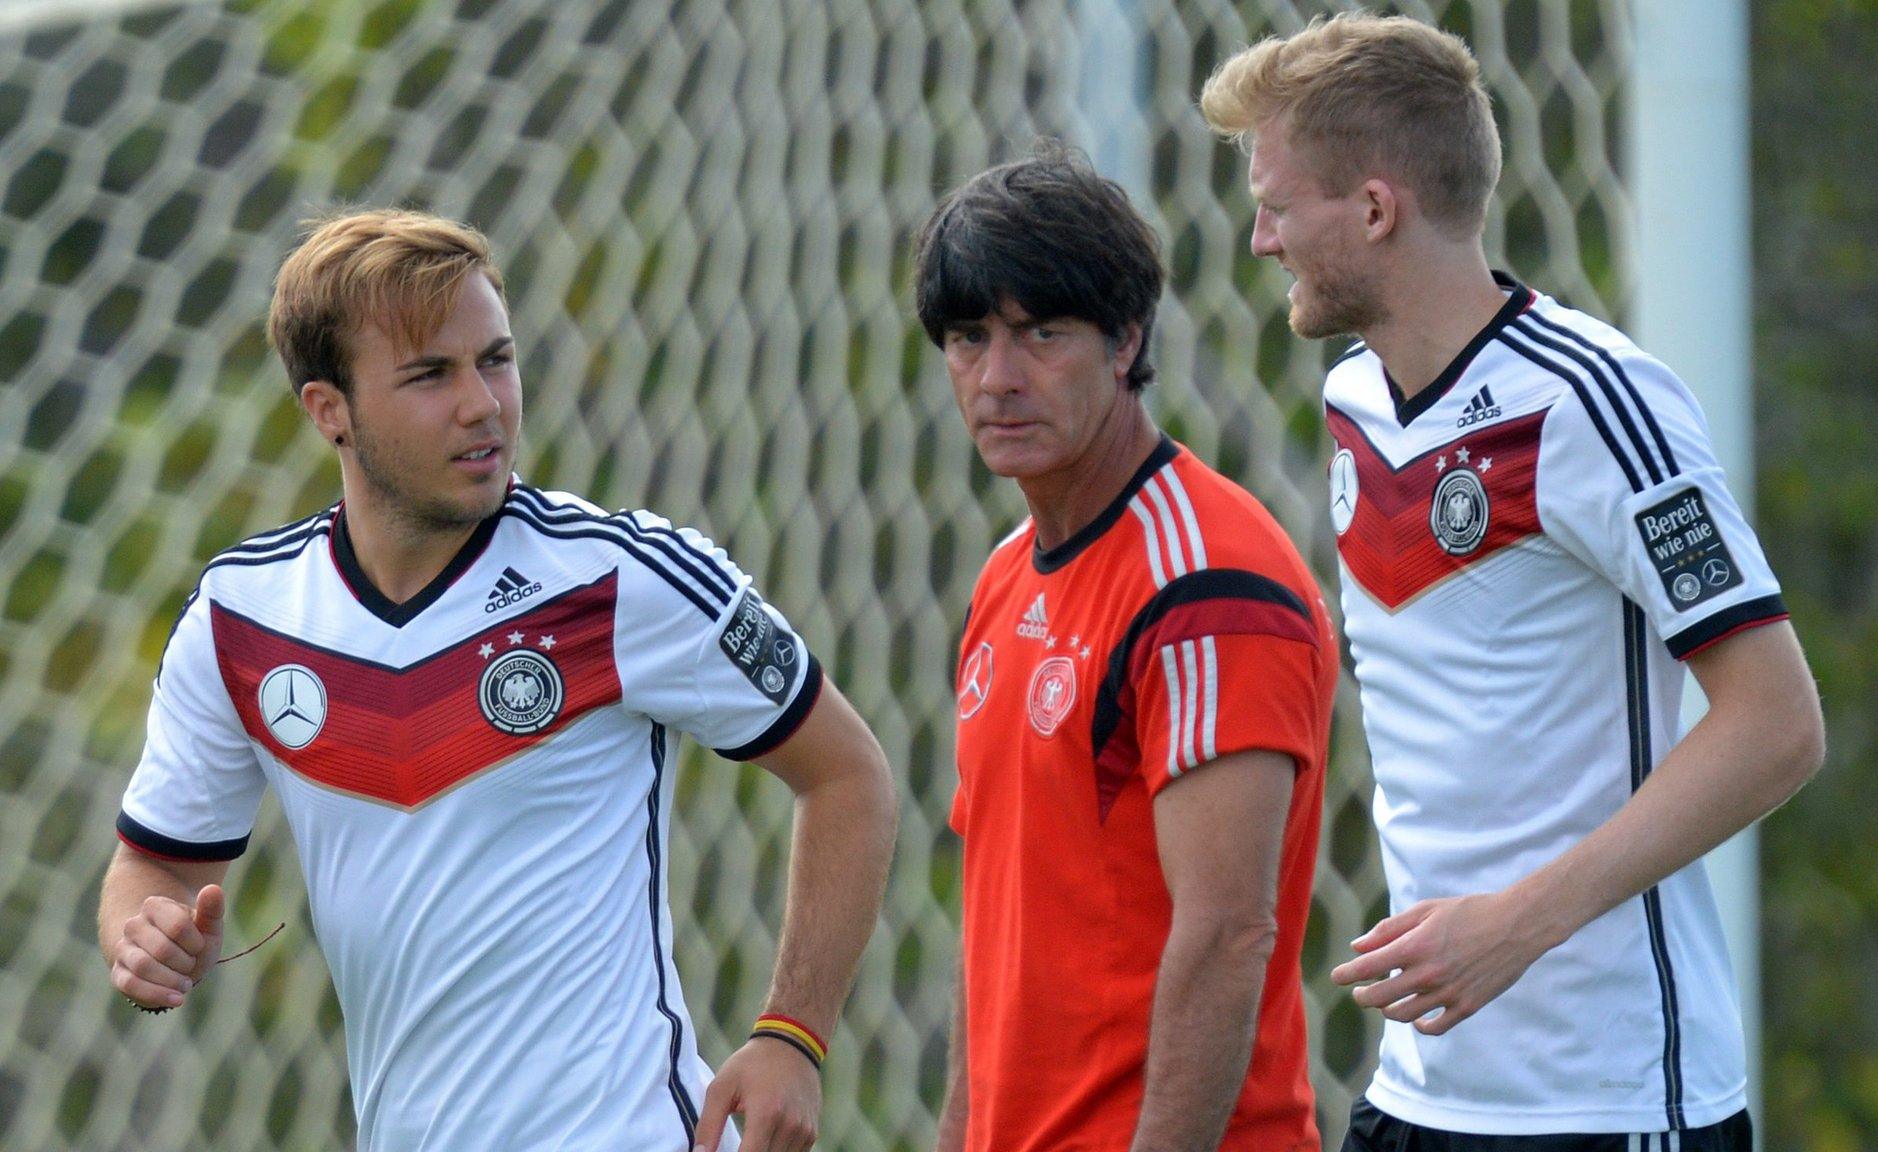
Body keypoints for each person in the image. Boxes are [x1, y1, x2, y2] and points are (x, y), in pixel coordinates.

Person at [96, 209, 897, 1152]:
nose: (484, 403)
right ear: (329, 409)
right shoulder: (243, 618)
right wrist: (141, 931)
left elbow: (849, 776)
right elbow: (157, 862)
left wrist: (792, 1035)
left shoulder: (618, 577)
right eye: (431, 375)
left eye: (497, 359)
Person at [1202, 14, 1825, 1151]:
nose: (1260, 239)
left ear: (1376, 209)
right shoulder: (1352, 400)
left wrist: (1514, 928)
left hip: (1609, 1102)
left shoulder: (1594, 402)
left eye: (1277, 205)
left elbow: (1776, 724)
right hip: (1417, 1092)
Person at [919, 148, 1338, 1152]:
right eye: (969, 338)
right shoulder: (1006, 574)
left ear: (1125, 341)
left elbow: (1228, 932)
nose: (998, 378)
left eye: (1041, 334)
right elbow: (997, 931)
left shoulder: (1205, 584)